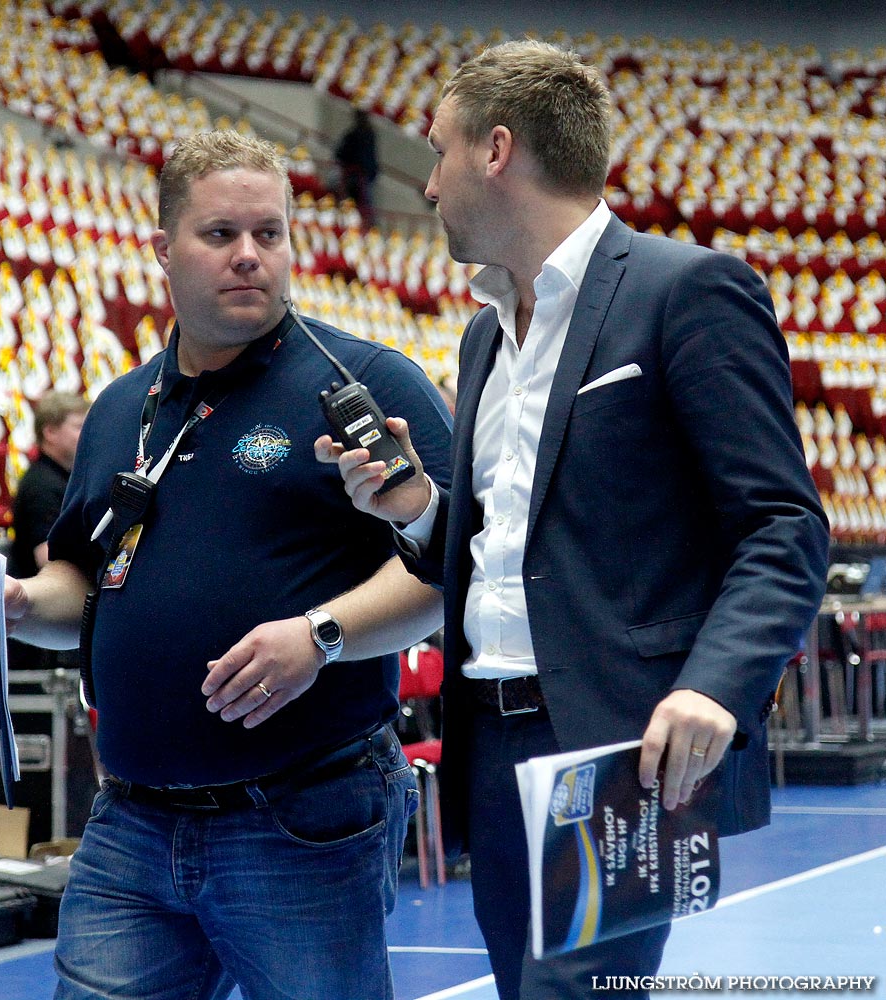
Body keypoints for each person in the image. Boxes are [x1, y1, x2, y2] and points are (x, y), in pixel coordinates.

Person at [320, 40, 829, 999]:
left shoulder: (687, 291)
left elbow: (782, 526)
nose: (426, 186)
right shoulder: (483, 334)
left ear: (496, 151)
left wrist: (716, 689)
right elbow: (499, 547)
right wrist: (416, 511)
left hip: (619, 748)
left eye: (437, 153)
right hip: (492, 743)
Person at [0, 129, 453, 1000]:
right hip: (132, 820)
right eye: (220, 235)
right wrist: (23, 603)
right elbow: (88, 583)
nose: (249, 257)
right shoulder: (119, 408)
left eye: (270, 233)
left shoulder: (369, 387)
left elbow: (449, 575)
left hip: (301, 819)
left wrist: (321, 636)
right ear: (162, 250)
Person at [7, 391, 90, 581]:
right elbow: (46, 555)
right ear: (50, 432)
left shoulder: (59, 477)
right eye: (79, 427)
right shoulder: (42, 484)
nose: (88, 434)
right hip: (46, 601)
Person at [335, 108, 379, 225]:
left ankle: (368, 225)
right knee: (359, 201)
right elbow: (340, 153)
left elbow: (341, 153)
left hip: (361, 175)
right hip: (355, 174)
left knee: (363, 201)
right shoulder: (356, 134)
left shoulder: (365, 134)